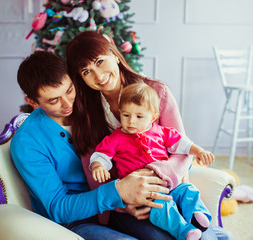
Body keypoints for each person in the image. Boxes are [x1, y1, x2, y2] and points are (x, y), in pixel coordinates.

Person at [66, 30, 234, 240]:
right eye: (86, 71)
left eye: (99, 62)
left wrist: (156, 176)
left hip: (169, 186)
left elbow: (181, 150)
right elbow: (94, 172)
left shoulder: (156, 92)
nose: (98, 76)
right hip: (129, 204)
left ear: (115, 55)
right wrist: (124, 205)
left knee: (202, 233)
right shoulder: (88, 116)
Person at [10, 51, 173, 240]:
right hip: (76, 223)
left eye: (69, 90)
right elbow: (58, 207)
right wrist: (119, 192)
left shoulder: (89, 107)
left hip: (117, 207)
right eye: (54, 100)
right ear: (32, 102)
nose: (67, 103)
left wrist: (123, 199)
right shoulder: (27, 142)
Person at [89, 82, 214, 240]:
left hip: (170, 185)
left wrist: (199, 151)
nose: (131, 121)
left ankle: (197, 215)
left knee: (188, 190)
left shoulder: (160, 132)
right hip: (145, 193)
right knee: (162, 207)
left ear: (153, 117)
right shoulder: (116, 138)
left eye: (139, 116)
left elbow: (182, 144)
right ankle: (185, 231)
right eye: (126, 115)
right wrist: (98, 166)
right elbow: (101, 154)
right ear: (120, 112)